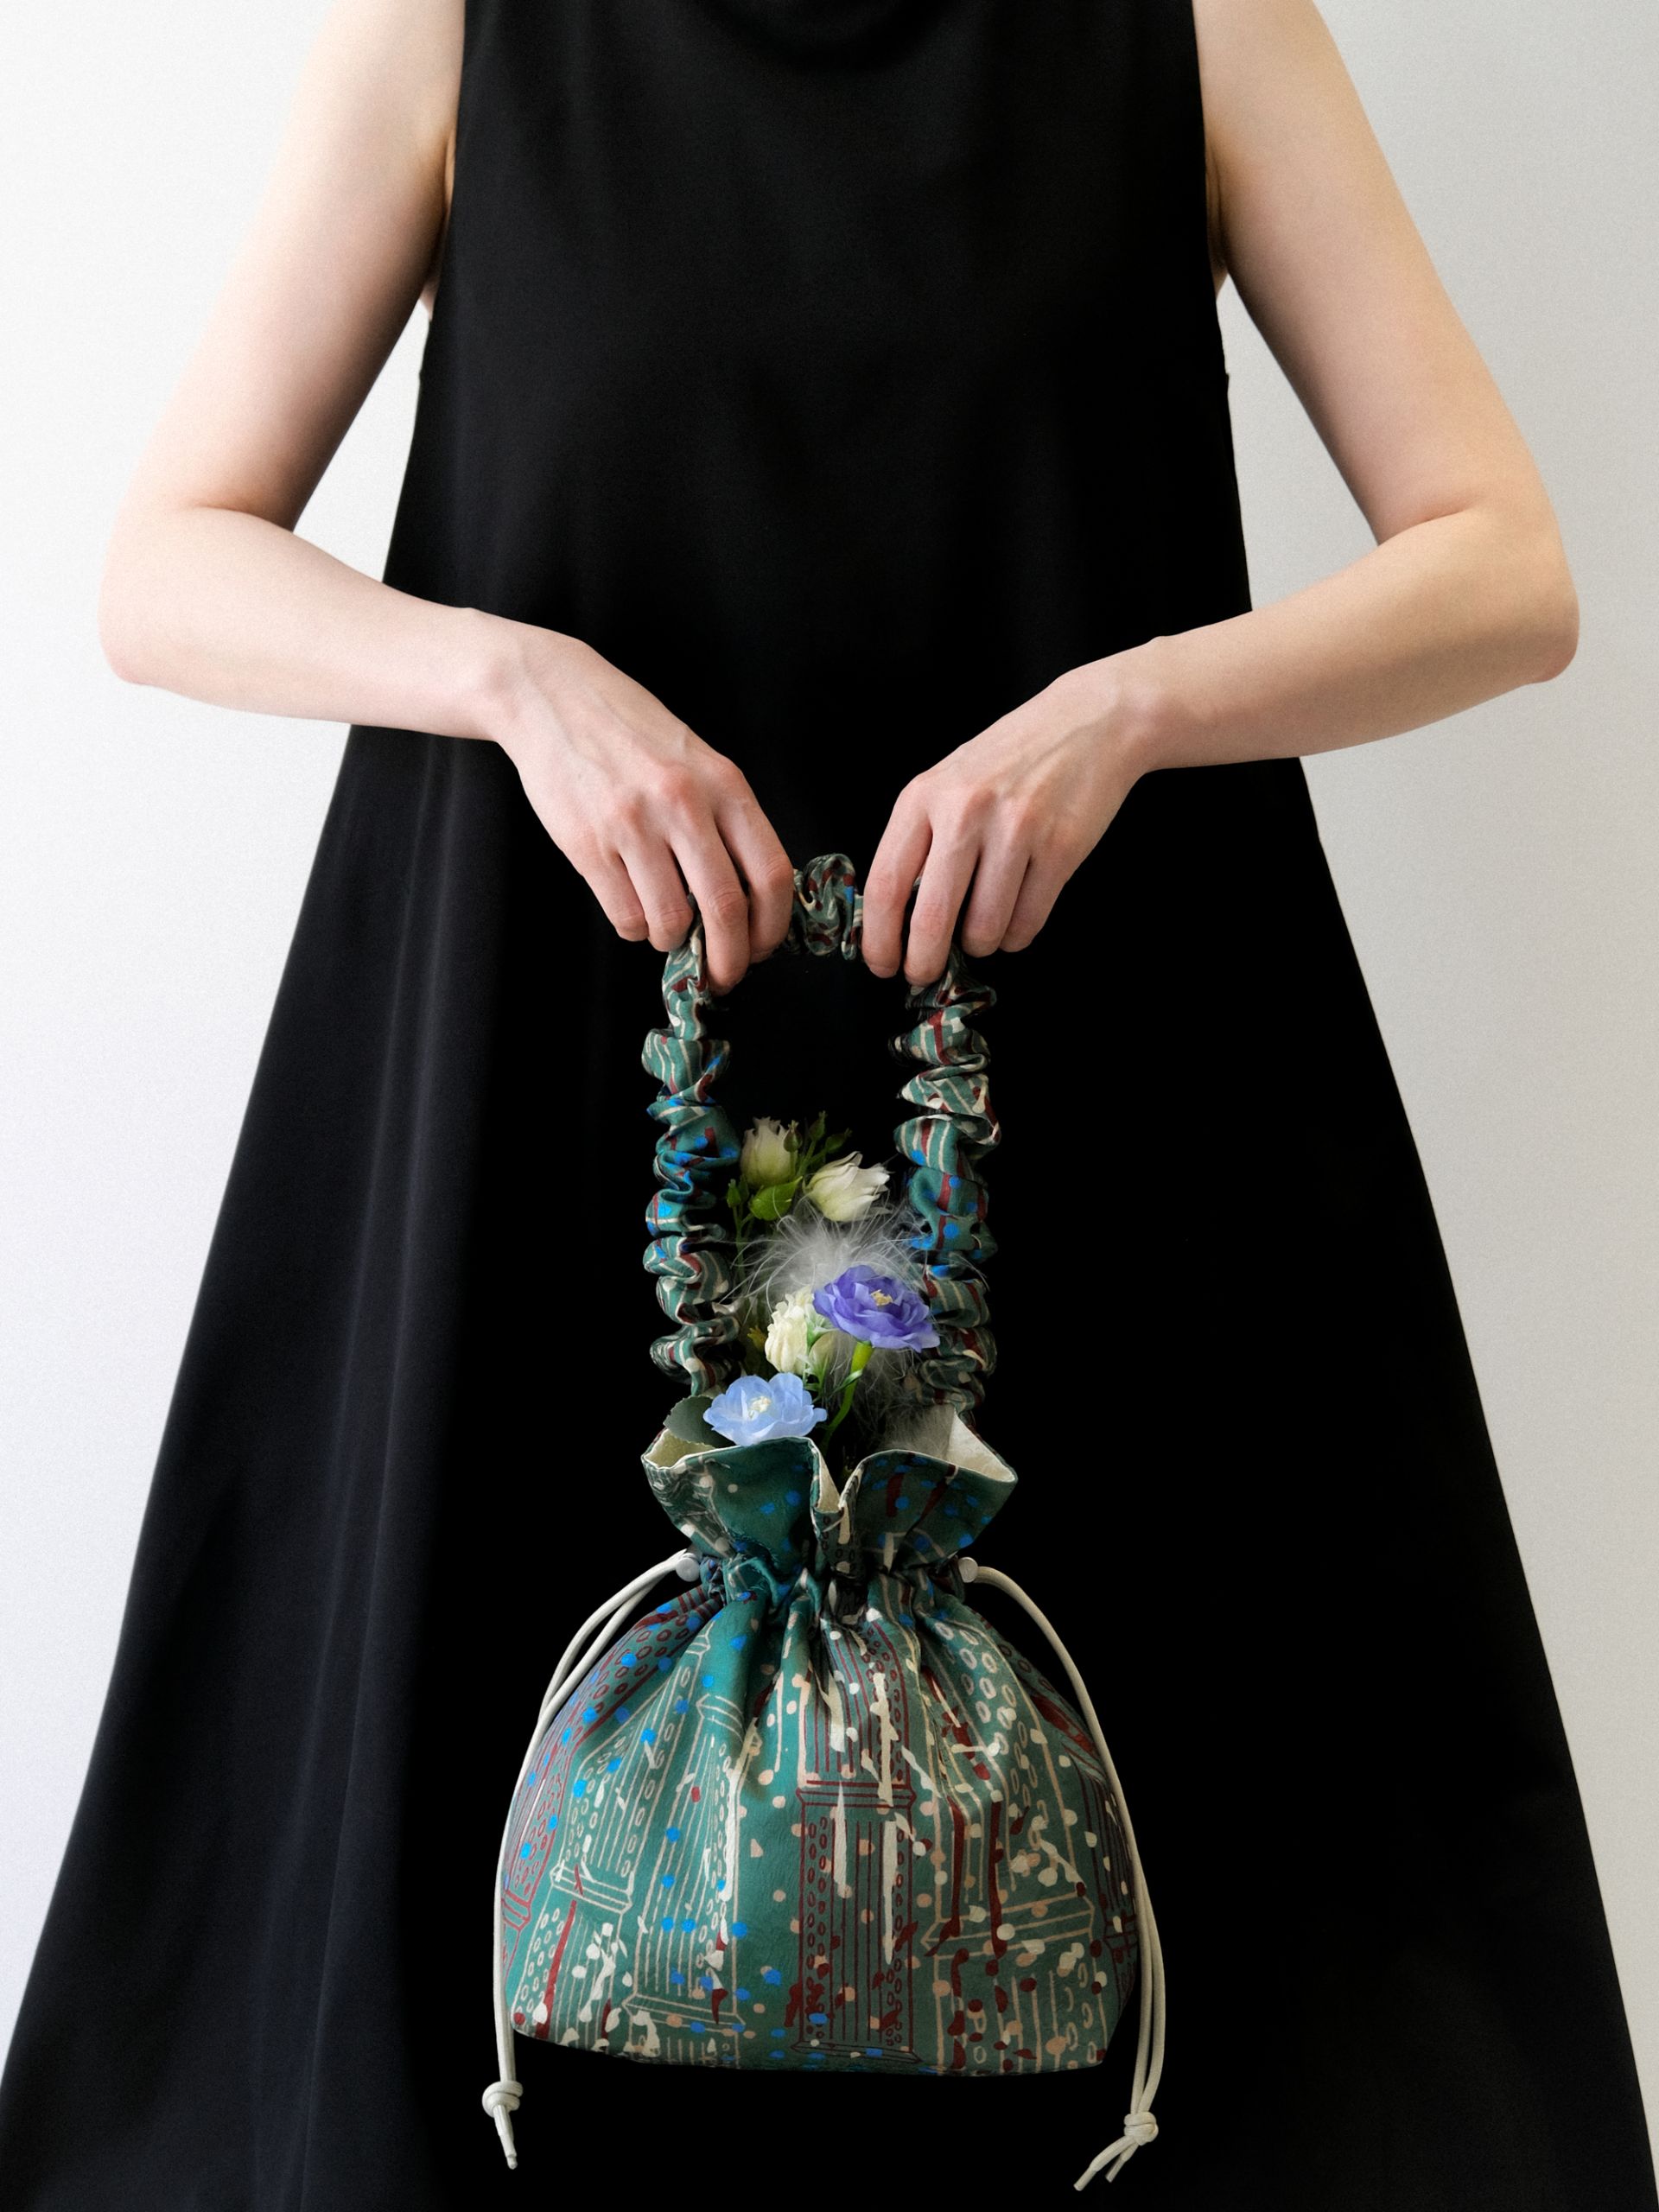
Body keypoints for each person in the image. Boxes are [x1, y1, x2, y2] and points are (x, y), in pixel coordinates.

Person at [1, 0, 1653, 2204]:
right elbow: (168, 559)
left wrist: (1127, 708)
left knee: (1235, 1984)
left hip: (1104, 1107)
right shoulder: (463, 27)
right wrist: (513, 680)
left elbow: (1504, 566)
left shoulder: (1201, 25)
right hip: (543, 1111)